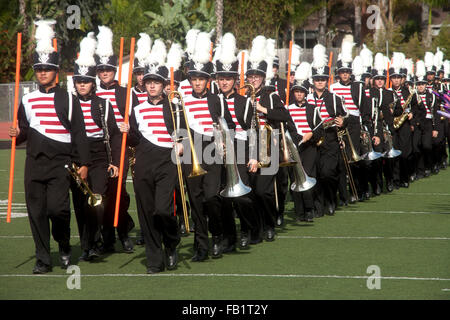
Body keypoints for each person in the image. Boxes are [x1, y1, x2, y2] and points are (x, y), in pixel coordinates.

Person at [9, 20, 91, 273]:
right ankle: (43, 259)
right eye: (39, 69)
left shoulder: (69, 98)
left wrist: (85, 163)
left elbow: (79, 132)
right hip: (34, 163)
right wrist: (17, 133)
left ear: (55, 70)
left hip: (60, 164)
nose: (42, 73)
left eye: (47, 69)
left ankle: (64, 243)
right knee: (36, 212)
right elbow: (23, 130)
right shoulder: (27, 98)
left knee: (58, 210)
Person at [182, 31, 236, 261]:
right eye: (194, 78)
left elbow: (229, 124)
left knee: (212, 197)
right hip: (191, 151)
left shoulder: (217, 100)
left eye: (201, 79)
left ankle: (218, 236)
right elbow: (177, 125)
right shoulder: (182, 98)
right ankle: (201, 246)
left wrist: (224, 140)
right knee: (195, 200)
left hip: (212, 150)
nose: (197, 82)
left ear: (207, 80)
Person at [71, 33, 121, 261]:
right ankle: (87, 245)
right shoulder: (68, 103)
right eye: (79, 81)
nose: (82, 85)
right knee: (81, 203)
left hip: (99, 155)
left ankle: (99, 238)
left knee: (97, 198)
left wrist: (114, 161)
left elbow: (112, 134)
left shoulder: (104, 104)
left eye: (86, 81)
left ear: (93, 83)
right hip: (75, 156)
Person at [127, 62, 181, 273]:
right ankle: (154, 261)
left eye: (156, 82)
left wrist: (181, 144)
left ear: (163, 85)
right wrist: (127, 131)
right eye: (148, 82)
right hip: (143, 162)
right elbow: (133, 139)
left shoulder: (174, 106)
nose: (151, 86)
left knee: (163, 210)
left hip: (167, 161)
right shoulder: (137, 109)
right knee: (147, 213)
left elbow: (183, 131)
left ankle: (171, 241)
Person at [94, 26, 138, 253]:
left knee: (118, 190)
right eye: (101, 70)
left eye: (108, 70)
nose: (104, 73)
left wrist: (129, 126)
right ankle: (107, 236)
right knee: (103, 193)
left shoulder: (126, 92)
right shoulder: (93, 92)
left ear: (114, 70)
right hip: (98, 148)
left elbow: (138, 120)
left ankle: (122, 232)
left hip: (120, 145)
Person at [214, 32, 258, 253]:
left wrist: (253, 156)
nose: (224, 82)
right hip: (215, 151)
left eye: (228, 78)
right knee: (222, 197)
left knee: (242, 198)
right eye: (221, 78)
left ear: (234, 80)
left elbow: (252, 131)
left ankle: (248, 230)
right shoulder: (211, 99)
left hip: (240, 148)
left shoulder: (245, 102)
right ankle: (228, 238)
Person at [307, 44, 347, 216]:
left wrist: (342, 122)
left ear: (327, 80)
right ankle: (318, 205)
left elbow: (345, 117)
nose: (320, 82)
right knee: (315, 174)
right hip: (312, 142)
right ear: (313, 81)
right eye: (317, 79)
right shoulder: (308, 99)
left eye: (323, 79)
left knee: (327, 173)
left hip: (330, 141)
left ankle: (331, 199)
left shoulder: (335, 98)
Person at [285, 62, 320, 221]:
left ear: (306, 93)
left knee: (308, 177)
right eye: (296, 91)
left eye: (301, 92)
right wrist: (298, 139)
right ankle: (299, 211)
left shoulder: (313, 109)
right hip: (294, 147)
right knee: (295, 179)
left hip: (309, 148)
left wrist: (311, 134)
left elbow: (320, 129)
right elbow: (289, 128)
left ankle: (309, 209)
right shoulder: (288, 109)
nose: (299, 94)